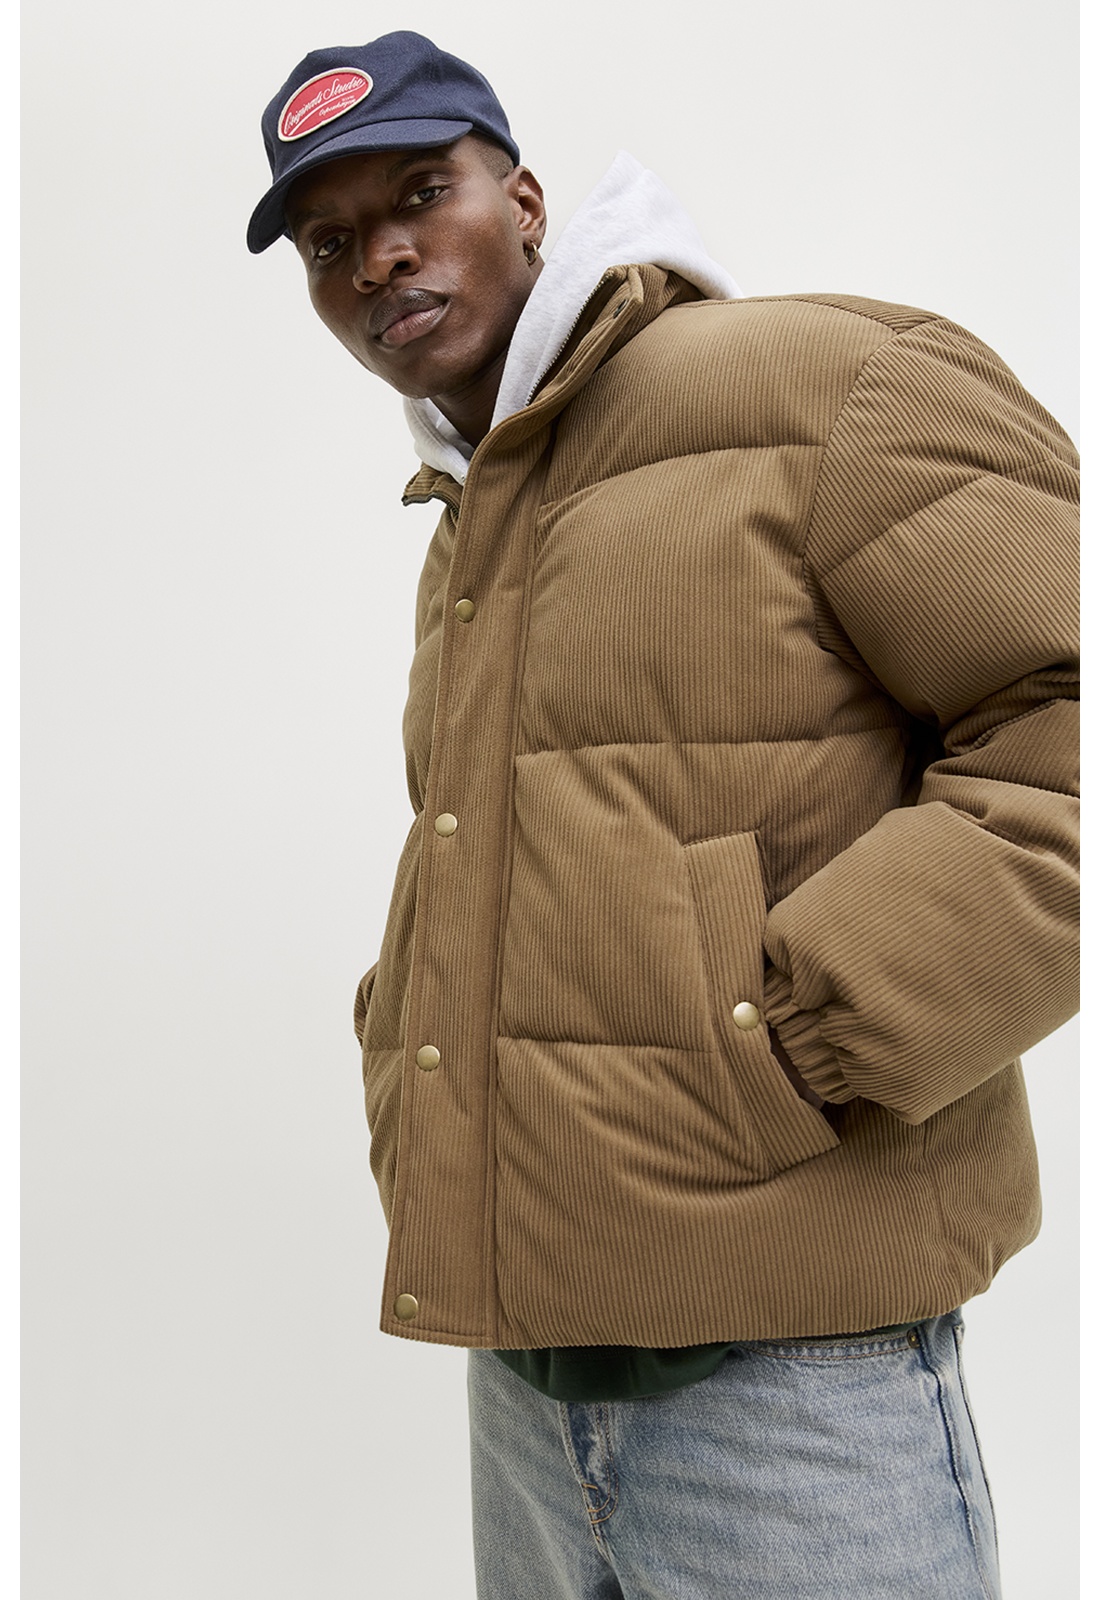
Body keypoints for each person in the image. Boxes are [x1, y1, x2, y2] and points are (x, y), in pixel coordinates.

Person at [248, 30, 1078, 1600]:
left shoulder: (825, 385)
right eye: (327, 241)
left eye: (419, 194)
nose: (379, 258)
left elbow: (1062, 727)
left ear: (526, 202)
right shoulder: (477, 511)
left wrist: (805, 1033)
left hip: (798, 1394)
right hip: (525, 1389)